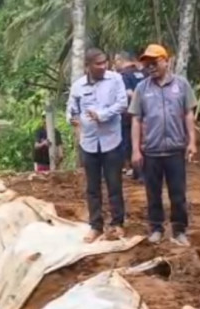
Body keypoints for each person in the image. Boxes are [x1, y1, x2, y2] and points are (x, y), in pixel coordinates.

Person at [130, 44, 197, 247]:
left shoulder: (181, 85)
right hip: (151, 150)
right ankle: (156, 228)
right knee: (153, 193)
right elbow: (136, 120)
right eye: (147, 64)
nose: (150, 67)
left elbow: (188, 114)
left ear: (166, 61)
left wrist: (192, 142)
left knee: (178, 193)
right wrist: (135, 150)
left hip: (175, 149)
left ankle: (179, 230)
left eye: (154, 62)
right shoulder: (142, 89)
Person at [68, 48, 128, 242]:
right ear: (88, 66)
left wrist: (102, 115)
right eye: (98, 64)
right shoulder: (77, 86)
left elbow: (122, 104)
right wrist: (72, 119)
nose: (103, 67)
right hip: (89, 142)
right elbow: (71, 109)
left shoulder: (115, 79)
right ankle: (96, 226)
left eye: (104, 63)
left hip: (111, 140)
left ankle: (117, 224)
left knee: (114, 184)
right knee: (92, 187)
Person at [115, 52, 146, 179]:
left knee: (129, 142)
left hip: (129, 115)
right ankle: (142, 172)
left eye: (115, 61)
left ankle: (132, 169)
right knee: (144, 141)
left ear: (120, 60)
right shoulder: (144, 73)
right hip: (147, 114)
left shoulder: (123, 76)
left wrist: (138, 103)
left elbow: (129, 93)